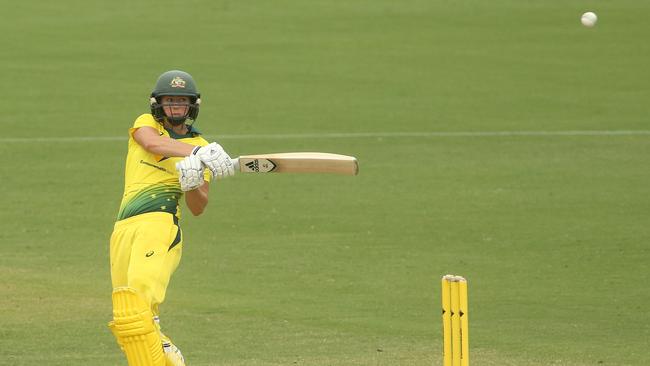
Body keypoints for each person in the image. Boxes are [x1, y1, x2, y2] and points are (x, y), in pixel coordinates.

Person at [108, 70, 234, 366]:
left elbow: (199, 206)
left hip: (159, 225)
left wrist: (191, 182)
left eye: (181, 101)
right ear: (158, 104)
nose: (175, 106)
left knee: (137, 306)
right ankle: (167, 354)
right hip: (124, 227)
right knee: (125, 316)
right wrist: (196, 153)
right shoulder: (147, 124)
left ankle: (163, 349)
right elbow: (153, 144)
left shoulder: (204, 146)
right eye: (170, 100)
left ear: (192, 106)